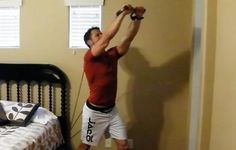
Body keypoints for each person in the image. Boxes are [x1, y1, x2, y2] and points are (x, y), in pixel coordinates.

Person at [78, 4, 146, 150]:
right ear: (90, 43)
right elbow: (107, 38)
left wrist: (137, 18)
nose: (101, 35)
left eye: (101, 32)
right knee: (85, 146)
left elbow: (128, 38)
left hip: (111, 111)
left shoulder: (111, 55)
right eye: (97, 35)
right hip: (94, 112)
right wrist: (122, 14)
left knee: (124, 145)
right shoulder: (90, 58)